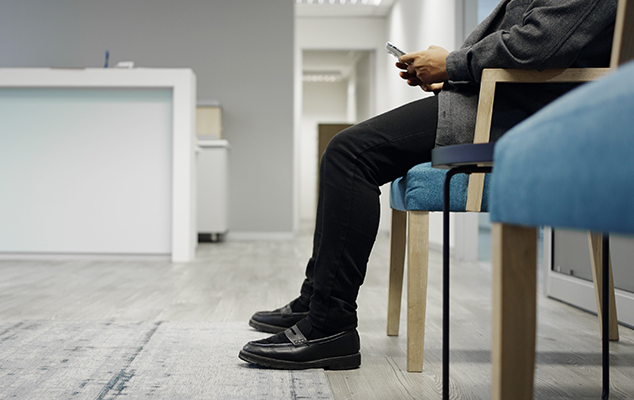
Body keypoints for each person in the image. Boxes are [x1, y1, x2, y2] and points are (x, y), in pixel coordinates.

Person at [238, 0, 618, 370]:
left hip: (516, 118)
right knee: (347, 151)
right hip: (499, 105)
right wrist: (448, 69)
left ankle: (328, 325)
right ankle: (315, 302)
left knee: (349, 154)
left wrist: (451, 64)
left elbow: (537, 45)